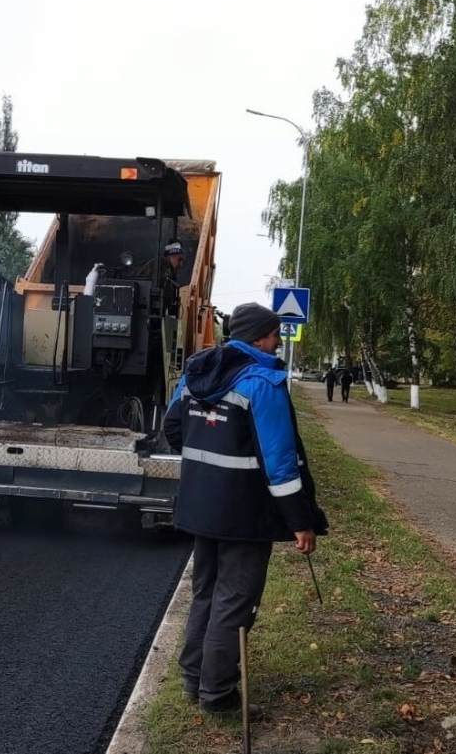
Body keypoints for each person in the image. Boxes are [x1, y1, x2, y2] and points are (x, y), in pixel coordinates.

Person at [164, 302, 329, 718]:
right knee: (235, 602)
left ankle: (193, 678)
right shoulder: (263, 382)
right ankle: (217, 696)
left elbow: (172, 428)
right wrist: (301, 522)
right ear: (258, 338)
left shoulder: (196, 374)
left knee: (206, 592)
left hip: (200, 505)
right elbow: (280, 462)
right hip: (245, 513)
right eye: (275, 335)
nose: (278, 342)